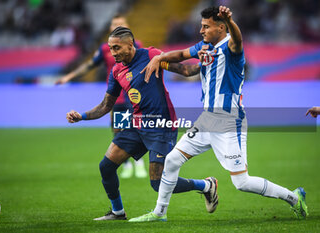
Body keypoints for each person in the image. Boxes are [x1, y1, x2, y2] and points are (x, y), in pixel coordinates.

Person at [129, 6, 308, 222]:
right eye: (201, 26)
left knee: (241, 183)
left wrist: (231, 21)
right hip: (207, 120)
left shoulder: (232, 48)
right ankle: (159, 213)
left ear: (221, 28)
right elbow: (182, 54)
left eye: (206, 26)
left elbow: (238, 40)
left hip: (229, 121)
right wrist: (159, 58)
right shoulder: (206, 46)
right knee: (172, 160)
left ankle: (294, 198)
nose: (201, 30)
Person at [66, 26, 217, 221]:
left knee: (157, 184)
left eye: (117, 48)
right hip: (136, 125)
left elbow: (186, 70)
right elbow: (106, 105)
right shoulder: (116, 70)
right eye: (111, 48)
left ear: (130, 45)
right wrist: (82, 116)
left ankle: (206, 185)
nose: (113, 53)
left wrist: (206, 64)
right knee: (106, 166)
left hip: (161, 125)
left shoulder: (152, 55)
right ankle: (118, 212)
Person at [57, 15, 147, 179]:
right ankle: (126, 165)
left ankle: (139, 163)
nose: (116, 26)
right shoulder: (106, 48)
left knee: (135, 129)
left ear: (127, 27)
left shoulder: (137, 46)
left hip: (133, 96)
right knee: (118, 130)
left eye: (120, 24)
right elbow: (90, 65)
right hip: (115, 97)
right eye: (114, 24)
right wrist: (69, 77)